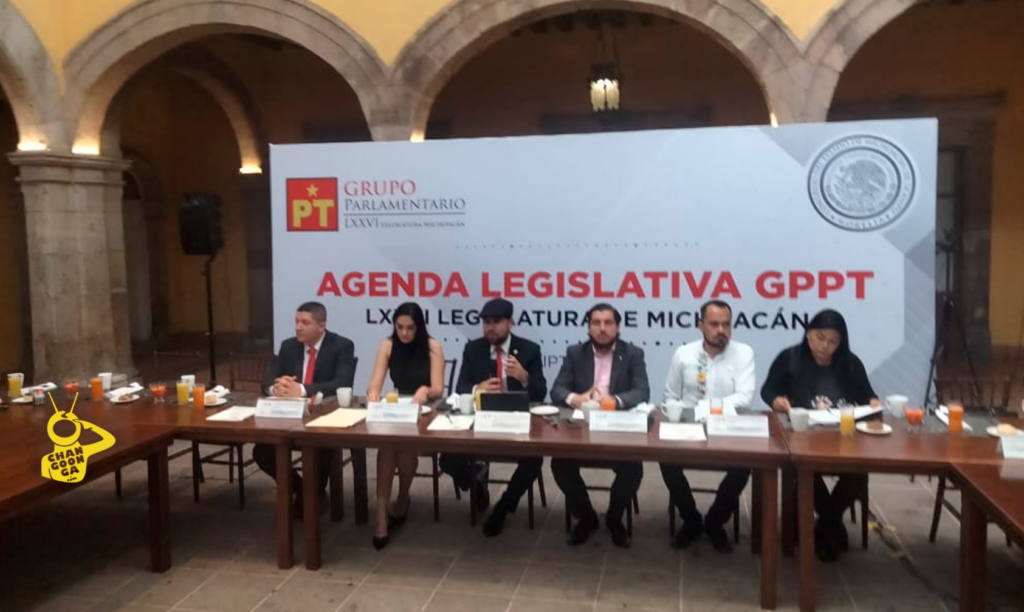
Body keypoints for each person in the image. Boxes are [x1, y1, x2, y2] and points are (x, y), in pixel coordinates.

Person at [761, 309, 880, 562]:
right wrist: (777, 400)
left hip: (844, 437)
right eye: (819, 338)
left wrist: (873, 402)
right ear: (808, 334)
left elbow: (868, 396)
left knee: (858, 473)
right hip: (802, 435)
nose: (825, 346)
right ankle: (833, 527)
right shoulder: (790, 358)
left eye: (833, 341)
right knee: (805, 470)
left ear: (841, 342)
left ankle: (825, 525)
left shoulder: (850, 363)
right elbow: (768, 390)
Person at [439, 298, 548, 537]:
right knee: (447, 459)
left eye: (496, 322)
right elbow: (461, 387)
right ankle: (476, 482)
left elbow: (541, 393)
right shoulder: (473, 349)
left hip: (517, 421)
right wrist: (477, 388)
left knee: (533, 461)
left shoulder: (529, 350)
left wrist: (524, 377)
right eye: (486, 322)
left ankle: (503, 507)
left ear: (510, 322)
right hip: (482, 421)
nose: (490, 327)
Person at [550, 303, 650, 548]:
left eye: (608, 323)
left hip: (617, 428)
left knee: (633, 469)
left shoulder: (633, 354)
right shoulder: (576, 353)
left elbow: (642, 392)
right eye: (596, 323)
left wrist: (614, 401)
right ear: (588, 327)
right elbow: (558, 389)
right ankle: (587, 518)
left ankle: (615, 518)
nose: (602, 329)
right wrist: (575, 398)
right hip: (581, 430)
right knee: (560, 464)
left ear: (618, 327)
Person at [660, 300, 755, 553]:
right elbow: (670, 396)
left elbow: (744, 398)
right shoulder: (684, 354)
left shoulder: (744, 353)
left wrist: (707, 409)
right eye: (714, 324)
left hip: (728, 428)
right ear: (700, 325)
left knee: (743, 466)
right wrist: (686, 414)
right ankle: (691, 520)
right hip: (688, 427)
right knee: (666, 460)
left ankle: (715, 522)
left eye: (726, 324)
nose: (721, 330)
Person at [252, 301, 356, 517]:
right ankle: (302, 489)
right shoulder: (288, 346)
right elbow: (268, 381)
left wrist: (300, 389)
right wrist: (276, 388)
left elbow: (342, 383)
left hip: (322, 416)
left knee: (320, 447)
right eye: (296, 322)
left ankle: (312, 495)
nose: (298, 327)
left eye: (305, 323)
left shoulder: (341, 346)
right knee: (262, 450)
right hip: (288, 417)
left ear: (322, 326)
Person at [366, 302, 445, 549]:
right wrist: (373, 392)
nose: (404, 333)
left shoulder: (432, 347)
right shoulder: (387, 345)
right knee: (388, 447)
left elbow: (438, 388)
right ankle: (381, 516)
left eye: (410, 328)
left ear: (419, 327)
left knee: (405, 446)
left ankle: (402, 498)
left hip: (424, 412)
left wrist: (425, 389)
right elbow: (375, 383)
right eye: (399, 327)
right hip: (397, 409)